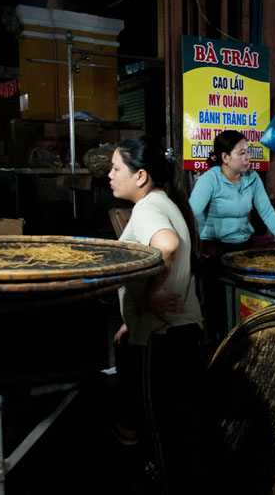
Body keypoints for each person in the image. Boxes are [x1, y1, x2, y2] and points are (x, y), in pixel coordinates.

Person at [108, 136, 206, 493]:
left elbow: (167, 246)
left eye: (116, 167)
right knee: (176, 434)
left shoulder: (147, 209)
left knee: (164, 440)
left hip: (161, 340)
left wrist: (150, 297)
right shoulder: (164, 202)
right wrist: (130, 319)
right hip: (177, 334)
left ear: (141, 176)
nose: (110, 174)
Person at [189, 129, 275, 257]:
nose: (247, 157)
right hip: (215, 244)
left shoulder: (252, 177)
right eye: (241, 153)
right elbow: (191, 213)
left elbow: (266, 211)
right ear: (225, 157)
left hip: (244, 242)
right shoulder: (210, 179)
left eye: (247, 152)